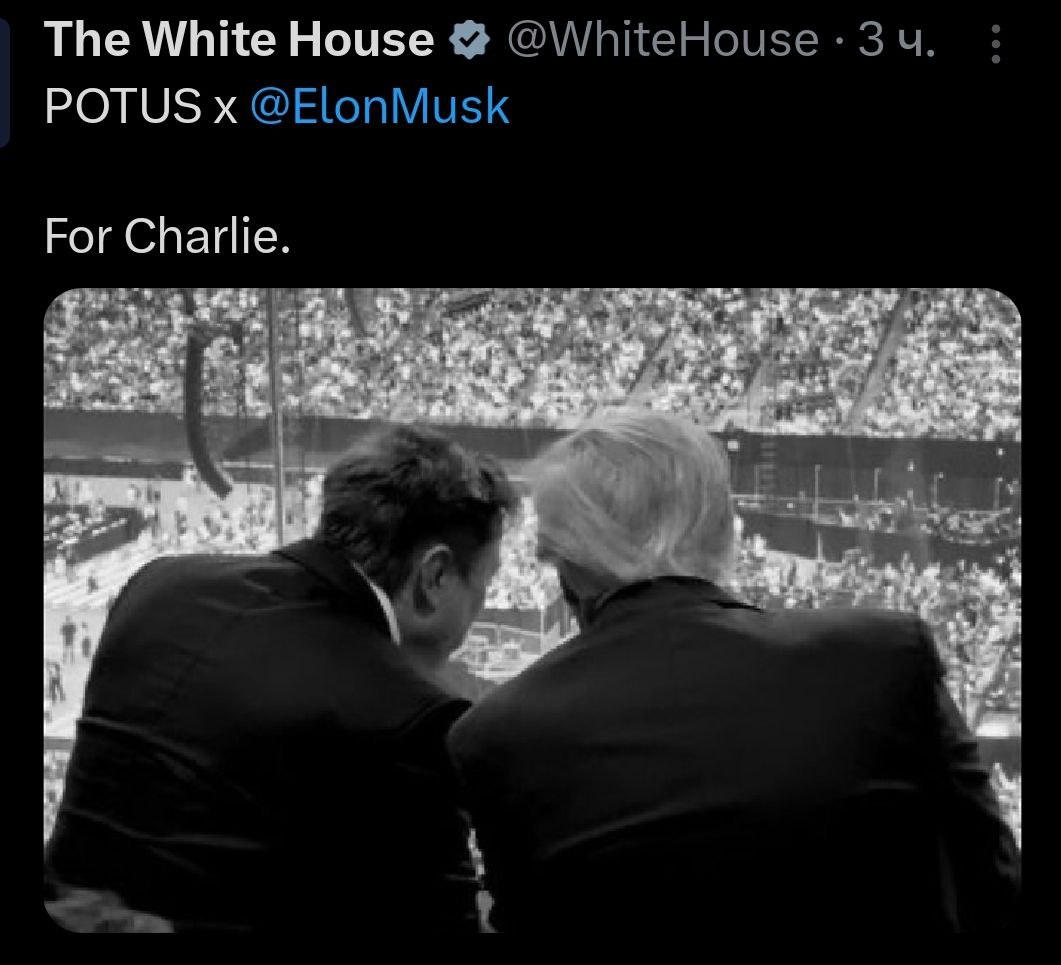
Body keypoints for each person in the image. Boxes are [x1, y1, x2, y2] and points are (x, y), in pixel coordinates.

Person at [447, 408, 1020, 938]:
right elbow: (995, 888)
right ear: (726, 531)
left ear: (562, 565)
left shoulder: (496, 735)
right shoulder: (885, 658)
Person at [44, 424, 517, 934]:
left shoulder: (160, 585)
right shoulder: (407, 715)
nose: (478, 611)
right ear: (435, 575)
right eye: (483, 584)